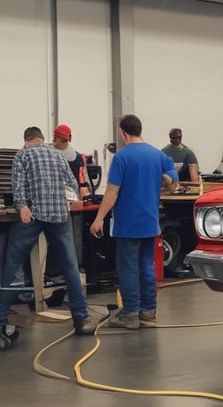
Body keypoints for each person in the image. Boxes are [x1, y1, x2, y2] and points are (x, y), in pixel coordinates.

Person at [0, 127, 96, 348]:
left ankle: (1, 320)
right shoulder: (57, 154)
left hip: (32, 216)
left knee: (12, 264)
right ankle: (81, 319)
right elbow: (72, 187)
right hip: (59, 216)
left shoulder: (22, 155)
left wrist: (22, 206)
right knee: (70, 265)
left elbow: (18, 187)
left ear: (26, 141)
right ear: (42, 140)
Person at [89, 115, 178, 329]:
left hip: (128, 223)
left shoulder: (122, 157)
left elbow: (112, 192)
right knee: (147, 266)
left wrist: (98, 218)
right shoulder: (158, 155)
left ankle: (130, 313)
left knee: (128, 268)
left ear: (123, 132)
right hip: (150, 221)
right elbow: (173, 184)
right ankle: (148, 313)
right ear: (140, 129)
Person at [51, 123, 89, 197]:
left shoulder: (76, 157)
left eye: (55, 138)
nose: (54, 140)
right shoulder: (49, 152)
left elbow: (83, 179)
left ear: (64, 140)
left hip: (72, 195)